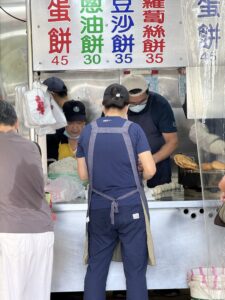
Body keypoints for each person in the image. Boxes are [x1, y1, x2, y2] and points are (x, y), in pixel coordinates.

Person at [77, 83, 156, 300]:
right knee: (135, 272)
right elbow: (150, 170)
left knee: (96, 269)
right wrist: (140, 173)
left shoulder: (87, 132)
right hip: (131, 208)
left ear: (103, 106)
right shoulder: (134, 130)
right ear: (127, 107)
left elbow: (83, 176)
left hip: (99, 208)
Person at [0, 100, 54, 300]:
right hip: (41, 232)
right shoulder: (32, 147)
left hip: (10, 235)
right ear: (16, 122)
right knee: (37, 295)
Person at [122, 74, 178, 188]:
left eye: (142, 102)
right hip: (124, 169)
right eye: (132, 104)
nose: (137, 105)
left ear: (148, 91)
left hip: (158, 166)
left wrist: (150, 161)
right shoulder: (115, 107)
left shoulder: (160, 104)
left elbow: (172, 141)